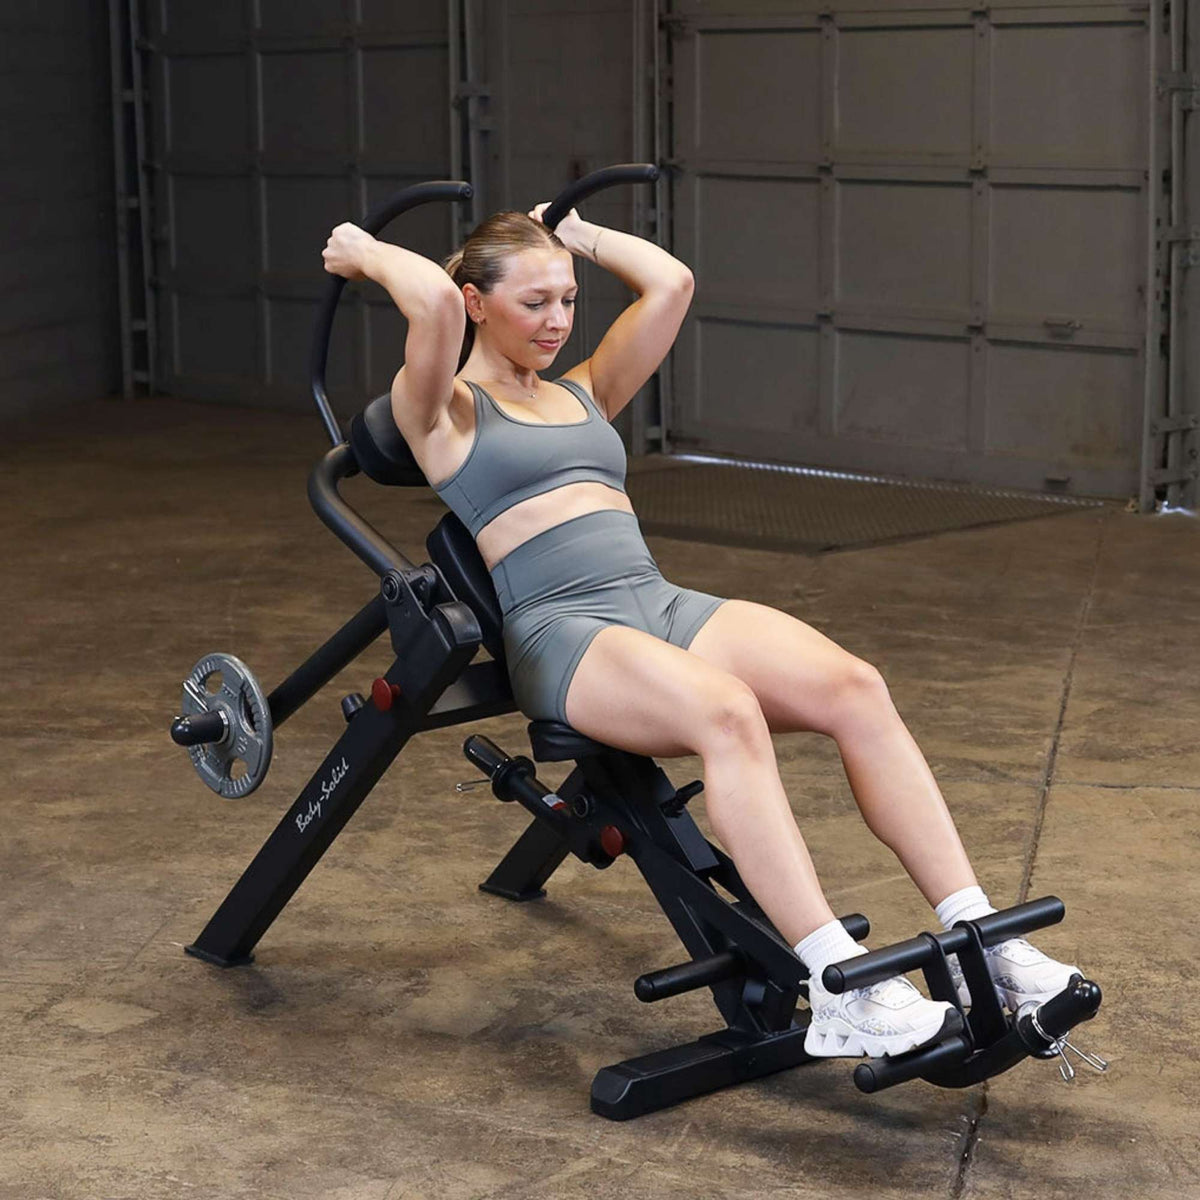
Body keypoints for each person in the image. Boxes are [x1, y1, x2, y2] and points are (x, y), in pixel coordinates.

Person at [321, 204, 1082, 1060]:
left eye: (567, 300)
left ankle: (986, 944)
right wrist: (365, 251)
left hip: (655, 603)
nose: (558, 321)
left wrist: (574, 233)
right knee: (727, 713)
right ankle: (840, 986)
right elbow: (426, 299)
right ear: (476, 302)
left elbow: (672, 283)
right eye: (534, 303)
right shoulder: (443, 411)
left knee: (855, 687)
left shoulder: (584, 391)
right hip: (566, 632)